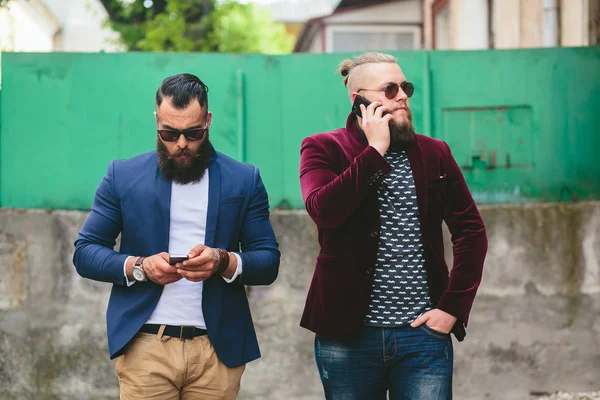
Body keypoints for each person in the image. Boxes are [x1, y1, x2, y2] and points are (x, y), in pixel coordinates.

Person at [73, 73, 280, 400]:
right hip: (146, 346)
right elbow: (85, 252)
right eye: (169, 133)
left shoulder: (244, 180)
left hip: (218, 351)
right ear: (157, 121)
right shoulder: (122, 176)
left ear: (208, 121)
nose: (181, 143)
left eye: (193, 133)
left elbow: (268, 261)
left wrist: (222, 260)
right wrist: (140, 266)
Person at [298, 52, 488, 399]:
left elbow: (471, 231)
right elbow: (323, 211)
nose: (402, 96)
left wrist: (451, 308)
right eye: (389, 89)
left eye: (405, 87)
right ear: (359, 102)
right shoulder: (322, 148)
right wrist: (375, 151)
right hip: (347, 337)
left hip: (423, 338)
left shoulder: (435, 153)